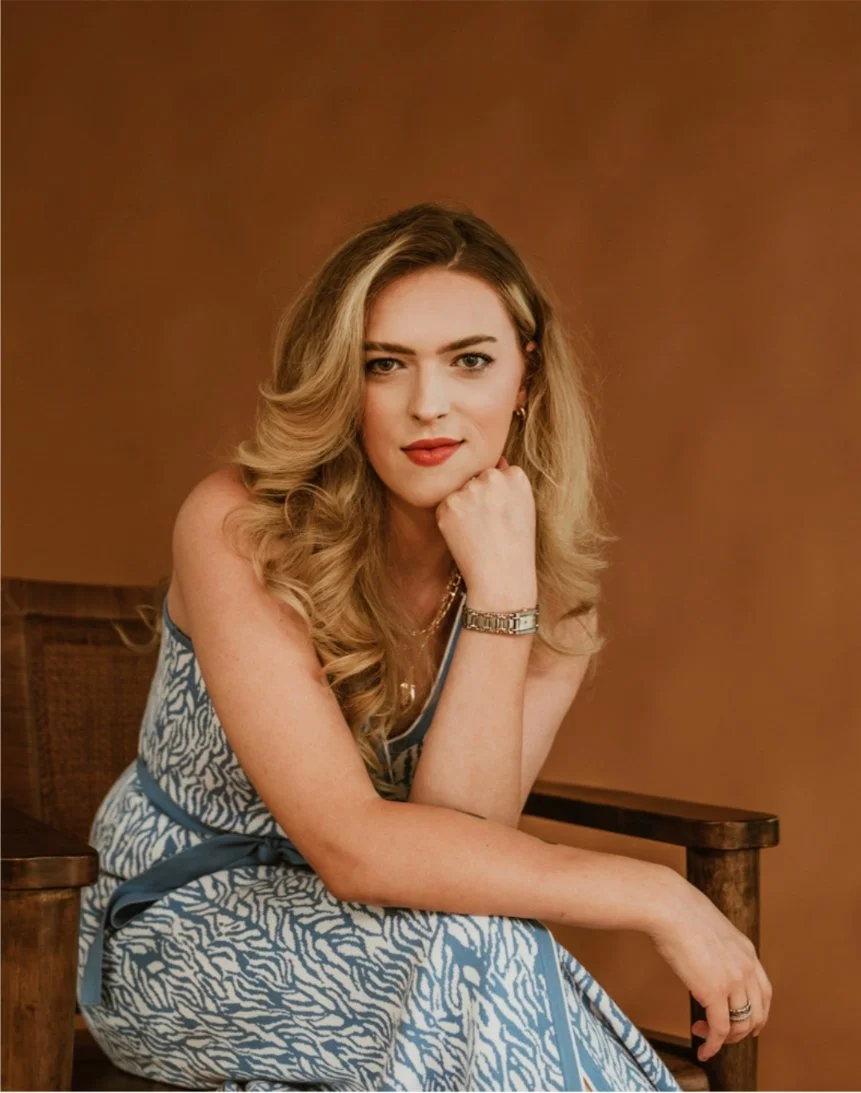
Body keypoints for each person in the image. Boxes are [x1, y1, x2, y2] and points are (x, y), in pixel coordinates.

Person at [77, 201, 771, 1092]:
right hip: (176, 927)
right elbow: (354, 847)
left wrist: (504, 599)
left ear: (524, 379)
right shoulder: (243, 527)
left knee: (471, 951)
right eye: (384, 365)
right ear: (339, 382)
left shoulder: (542, 593)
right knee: (477, 958)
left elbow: (461, 846)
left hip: (408, 935)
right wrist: (659, 895)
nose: (427, 404)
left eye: (470, 360)